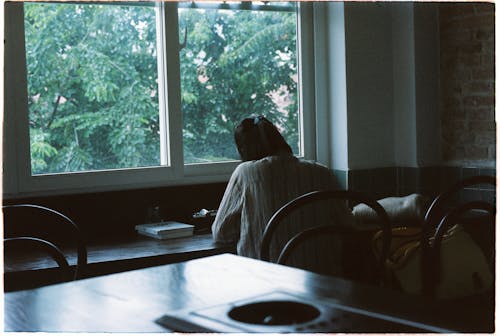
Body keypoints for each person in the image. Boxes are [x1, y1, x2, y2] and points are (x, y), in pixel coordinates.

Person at [212, 115, 355, 274]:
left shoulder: (246, 173)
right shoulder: (322, 172)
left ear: (244, 149)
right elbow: (347, 224)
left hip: (269, 284)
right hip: (324, 284)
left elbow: (221, 233)